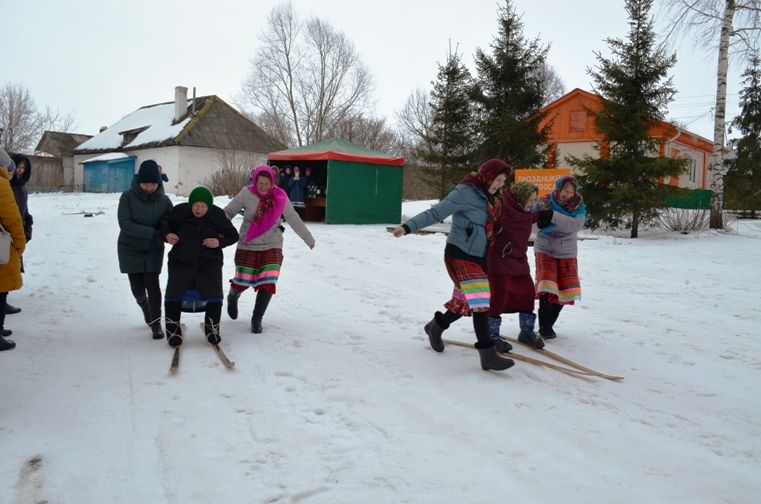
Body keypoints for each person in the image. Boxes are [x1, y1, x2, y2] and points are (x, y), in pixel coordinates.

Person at [392, 159, 515, 372]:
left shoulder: (492, 198)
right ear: (487, 175)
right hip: (459, 254)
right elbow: (436, 212)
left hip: (479, 257)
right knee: (481, 301)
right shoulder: (466, 192)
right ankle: (487, 355)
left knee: (464, 304)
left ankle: (436, 327)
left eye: (502, 181)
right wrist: (407, 227)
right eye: (496, 179)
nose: (498, 185)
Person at [224, 165, 315, 334]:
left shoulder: (280, 197)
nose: (263, 186)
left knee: (268, 281)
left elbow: (293, 218)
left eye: (267, 183)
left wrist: (308, 238)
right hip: (248, 243)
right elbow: (228, 212)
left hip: (272, 243)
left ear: (272, 183)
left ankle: (257, 318)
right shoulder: (246, 193)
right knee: (243, 279)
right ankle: (233, 295)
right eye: (260, 183)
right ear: (255, 181)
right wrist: (216, 228)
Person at [162, 186, 239, 347]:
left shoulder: (217, 215)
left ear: (209, 206)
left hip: (209, 263)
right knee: (174, 294)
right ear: (190, 204)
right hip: (181, 262)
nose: (199, 209)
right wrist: (167, 235)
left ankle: (212, 329)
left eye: (203, 206)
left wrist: (219, 242)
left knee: (214, 295)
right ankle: (173, 330)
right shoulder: (179, 212)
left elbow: (233, 235)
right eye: (196, 205)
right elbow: (163, 226)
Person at [117, 160, 173, 339]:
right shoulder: (127, 197)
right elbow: (125, 224)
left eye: (153, 184)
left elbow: (171, 220)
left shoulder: (164, 200)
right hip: (130, 248)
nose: (149, 187)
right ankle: (145, 306)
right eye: (146, 183)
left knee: (153, 285)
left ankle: (156, 323)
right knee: (138, 288)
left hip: (153, 249)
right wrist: (154, 233)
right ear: (139, 181)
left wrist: (165, 230)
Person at [486, 182, 544, 350]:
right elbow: (489, 222)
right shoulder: (504, 210)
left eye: (534, 200)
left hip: (519, 260)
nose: (532, 203)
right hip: (500, 259)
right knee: (499, 296)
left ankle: (526, 332)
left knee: (527, 292)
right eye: (530, 199)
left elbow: (532, 217)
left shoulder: (526, 212)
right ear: (520, 198)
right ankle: (491, 335)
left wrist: (542, 214)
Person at [532, 175, 587, 339]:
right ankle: (544, 327)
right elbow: (533, 224)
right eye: (565, 190)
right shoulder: (544, 202)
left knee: (564, 290)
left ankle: (548, 324)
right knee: (547, 287)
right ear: (558, 189)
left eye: (571, 191)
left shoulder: (578, 207)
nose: (567, 194)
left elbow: (574, 225)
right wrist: (540, 222)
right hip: (544, 248)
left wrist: (552, 216)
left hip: (566, 251)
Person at [0, 147, 26, 351]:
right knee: (0, 291)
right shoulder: (1, 185)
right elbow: (12, 218)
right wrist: (20, 242)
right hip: (1, 247)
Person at [5, 153, 33, 315]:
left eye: (23, 168)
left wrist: (27, 225)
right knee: (5, 267)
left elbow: (24, 210)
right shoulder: (6, 185)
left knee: (11, 265)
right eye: (18, 167)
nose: (20, 171)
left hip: (17, 231)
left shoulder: (21, 186)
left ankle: (4, 298)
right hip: (6, 233)